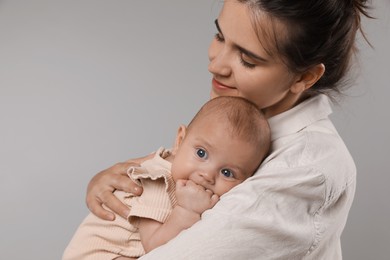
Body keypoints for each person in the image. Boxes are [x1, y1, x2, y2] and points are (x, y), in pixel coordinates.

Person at [85, 0, 372, 259]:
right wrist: (116, 187)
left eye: (247, 60)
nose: (216, 65)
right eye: (220, 36)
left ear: (305, 76)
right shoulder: (237, 126)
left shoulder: (306, 170)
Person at [63, 96, 271, 260]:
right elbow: (155, 248)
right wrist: (187, 210)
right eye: (201, 154)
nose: (206, 175)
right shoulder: (158, 181)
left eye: (227, 173)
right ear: (180, 140)